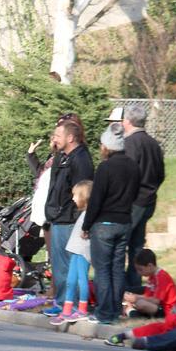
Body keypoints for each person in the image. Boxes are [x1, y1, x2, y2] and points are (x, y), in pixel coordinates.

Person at [82, 123, 139, 324]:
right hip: (124, 222)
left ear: (107, 147)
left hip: (104, 223)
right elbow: (135, 194)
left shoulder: (105, 168)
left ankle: (104, 313)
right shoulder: (133, 166)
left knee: (103, 269)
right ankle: (115, 311)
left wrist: (86, 225)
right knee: (117, 268)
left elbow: (96, 199)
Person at [115, 105, 166, 291]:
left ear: (127, 121)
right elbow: (161, 174)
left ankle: (119, 287)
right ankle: (134, 285)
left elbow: (127, 173)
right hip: (148, 200)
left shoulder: (130, 143)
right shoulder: (153, 144)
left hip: (133, 202)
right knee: (136, 245)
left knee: (121, 244)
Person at [45, 119, 94, 306]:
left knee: (68, 266)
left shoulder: (80, 159)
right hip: (58, 217)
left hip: (69, 220)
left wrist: (73, 216)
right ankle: (62, 302)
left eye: (58, 136)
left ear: (71, 137)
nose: (54, 139)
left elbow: (82, 193)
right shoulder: (64, 156)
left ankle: (68, 304)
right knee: (60, 266)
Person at [48, 180, 93, 325]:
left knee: (81, 280)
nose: (72, 198)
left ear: (84, 196)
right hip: (75, 250)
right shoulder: (83, 213)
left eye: (75, 195)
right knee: (71, 280)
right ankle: (67, 310)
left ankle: (82, 309)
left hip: (82, 252)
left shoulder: (89, 215)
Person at [121, 249, 176, 318]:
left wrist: (136, 298)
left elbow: (156, 301)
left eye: (140, 269)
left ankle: (132, 312)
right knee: (130, 297)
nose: (139, 273)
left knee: (140, 304)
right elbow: (147, 295)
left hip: (166, 309)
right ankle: (130, 310)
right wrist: (133, 298)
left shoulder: (162, 277)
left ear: (150, 266)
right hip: (155, 305)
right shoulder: (152, 276)